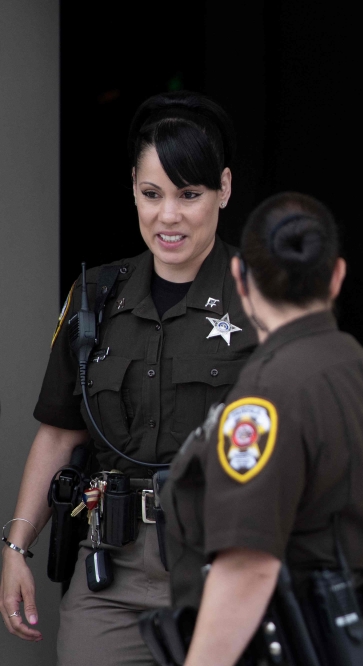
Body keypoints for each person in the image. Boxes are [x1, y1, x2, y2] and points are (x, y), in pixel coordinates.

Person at [0, 91, 254, 665]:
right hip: (111, 569)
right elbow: (59, 433)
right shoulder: (95, 295)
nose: (169, 216)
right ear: (134, 190)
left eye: (190, 194)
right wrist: (16, 546)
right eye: (152, 193)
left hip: (226, 565)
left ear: (224, 188)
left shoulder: (265, 295)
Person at [161, 191, 363, 665]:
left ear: (240, 277)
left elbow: (248, 567)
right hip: (360, 641)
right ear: (336, 275)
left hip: (289, 646)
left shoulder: (265, 395)